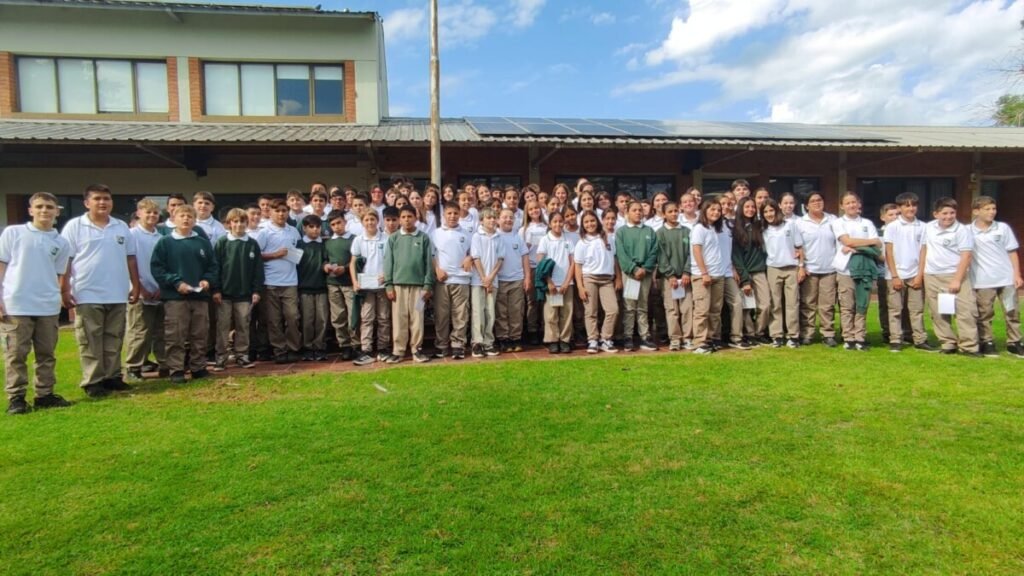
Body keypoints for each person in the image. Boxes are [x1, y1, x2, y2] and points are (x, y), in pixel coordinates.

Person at [61, 184, 141, 398]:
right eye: (97, 199)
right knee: (90, 339)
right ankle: (93, 381)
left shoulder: (120, 226)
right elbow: (66, 260)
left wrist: (136, 285)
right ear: (87, 203)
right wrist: (64, 288)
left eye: (106, 198)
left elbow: (131, 258)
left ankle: (112, 377)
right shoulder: (75, 226)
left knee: (114, 337)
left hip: (117, 291)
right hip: (87, 292)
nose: (102, 202)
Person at [0, 192, 73, 414]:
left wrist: (60, 296)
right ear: (30, 210)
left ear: (57, 211)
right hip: (16, 304)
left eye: (49, 207)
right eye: (39, 206)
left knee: (46, 354)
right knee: (15, 355)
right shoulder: (14, 233)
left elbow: (59, 274)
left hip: (47, 306)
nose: (44, 210)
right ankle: (17, 398)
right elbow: (2, 265)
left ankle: (44, 394)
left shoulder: (61, 242)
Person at [150, 204, 219, 384]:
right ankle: (176, 370)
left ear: (195, 220)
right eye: (182, 216)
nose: (186, 219)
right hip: (176, 298)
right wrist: (176, 282)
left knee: (200, 334)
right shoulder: (165, 242)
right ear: (174, 218)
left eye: (190, 216)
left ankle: (198, 367)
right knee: (176, 335)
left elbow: (213, 266)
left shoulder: (202, 243)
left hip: (200, 297)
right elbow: (158, 268)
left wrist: (207, 280)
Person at [923, 197, 979, 356]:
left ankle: (969, 346)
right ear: (936, 214)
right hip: (932, 275)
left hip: (955, 275)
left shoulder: (962, 230)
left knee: (965, 311)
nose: (948, 216)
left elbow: (966, 255)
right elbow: (923, 249)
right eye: (944, 213)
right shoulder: (928, 228)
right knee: (939, 312)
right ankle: (948, 343)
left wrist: (957, 279)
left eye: (952, 213)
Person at [970, 195, 1023, 357]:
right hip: (982, 280)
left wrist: (1017, 274)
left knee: (1012, 311)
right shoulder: (967, 231)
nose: (992, 212)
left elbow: (1012, 252)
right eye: (987, 209)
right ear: (976, 211)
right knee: (985, 313)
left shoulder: (1003, 228)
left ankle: (1014, 342)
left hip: (1006, 278)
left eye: (993, 209)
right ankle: (987, 342)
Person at [213, 208, 262, 370]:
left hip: (245, 294)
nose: (239, 224)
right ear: (229, 223)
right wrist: (216, 289)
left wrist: (256, 290)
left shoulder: (252, 244)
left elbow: (257, 269)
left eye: (242, 221)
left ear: (247, 223)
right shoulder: (222, 242)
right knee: (223, 326)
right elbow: (215, 267)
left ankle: (242, 355)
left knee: (243, 325)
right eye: (235, 221)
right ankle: (221, 357)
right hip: (224, 293)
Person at [832, 192, 881, 350]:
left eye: (854, 202)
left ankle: (860, 337)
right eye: (847, 203)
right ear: (842, 206)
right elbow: (847, 241)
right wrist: (867, 243)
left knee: (862, 305)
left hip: (865, 269)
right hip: (846, 270)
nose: (851, 205)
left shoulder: (867, 223)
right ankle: (848, 338)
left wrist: (856, 246)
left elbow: (877, 244)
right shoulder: (838, 223)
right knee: (847, 306)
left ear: (859, 204)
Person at [384, 205, 434, 363]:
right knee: (399, 319)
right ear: (399, 219)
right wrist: (389, 285)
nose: (407, 220)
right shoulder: (393, 238)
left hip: (419, 287)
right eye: (403, 217)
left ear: (415, 218)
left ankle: (416, 349)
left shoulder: (423, 238)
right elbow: (388, 263)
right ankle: (398, 350)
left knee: (417, 318)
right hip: (398, 286)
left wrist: (427, 285)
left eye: (410, 216)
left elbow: (428, 263)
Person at [125, 199, 167, 382]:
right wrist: (139, 287)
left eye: (155, 213)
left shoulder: (161, 238)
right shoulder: (131, 235)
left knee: (161, 331)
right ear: (139, 213)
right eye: (148, 212)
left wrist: (161, 287)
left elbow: (165, 264)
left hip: (159, 290)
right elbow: (128, 263)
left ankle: (164, 364)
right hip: (139, 292)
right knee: (140, 331)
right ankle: (133, 366)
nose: (152, 216)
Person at [256, 198, 303, 364]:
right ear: (270, 212)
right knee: (274, 320)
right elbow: (256, 255)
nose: (281, 214)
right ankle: (279, 350)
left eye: (284, 211)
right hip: (270, 282)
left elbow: (298, 252)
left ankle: (293, 348)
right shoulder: (264, 232)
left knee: (292, 317)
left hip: (290, 281)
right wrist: (275, 255)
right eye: (277, 211)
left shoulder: (293, 231)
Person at [883, 193, 931, 352]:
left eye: (914, 205)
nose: (911, 208)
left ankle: (920, 339)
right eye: (907, 205)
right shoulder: (892, 226)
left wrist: (919, 275)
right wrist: (894, 275)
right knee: (895, 309)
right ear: (899, 208)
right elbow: (889, 252)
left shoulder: (923, 226)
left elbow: (923, 251)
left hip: (915, 274)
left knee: (917, 309)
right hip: (895, 274)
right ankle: (895, 339)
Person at [795, 192, 838, 347]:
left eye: (819, 200)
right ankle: (807, 333)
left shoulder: (833, 220)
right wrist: (801, 266)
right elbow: (797, 246)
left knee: (827, 305)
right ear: (806, 205)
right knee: (808, 304)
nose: (817, 203)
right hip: (809, 269)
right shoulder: (800, 223)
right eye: (813, 201)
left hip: (829, 269)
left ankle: (828, 334)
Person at [575, 209, 620, 354]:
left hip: (607, 279)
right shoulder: (582, 242)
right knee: (591, 311)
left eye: (592, 221)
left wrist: (618, 277)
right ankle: (593, 340)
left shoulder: (607, 238)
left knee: (613, 310)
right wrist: (580, 286)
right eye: (586, 222)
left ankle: (605, 339)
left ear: (598, 221)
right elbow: (578, 266)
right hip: (589, 278)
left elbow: (614, 259)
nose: (590, 224)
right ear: (582, 224)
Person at [615, 201, 659, 351]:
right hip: (630, 274)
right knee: (629, 306)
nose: (638, 212)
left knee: (643, 306)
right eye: (634, 210)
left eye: (640, 210)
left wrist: (645, 269)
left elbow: (654, 252)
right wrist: (633, 269)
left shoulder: (649, 231)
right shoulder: (622, 232)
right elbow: (621, 254)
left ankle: (645, 336)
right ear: (627, 212)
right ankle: (628, 336)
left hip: (645, 274)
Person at [762, 199, 804, 348]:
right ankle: (777, 335)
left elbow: (799, 246)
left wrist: (801, 266)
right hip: (773, 268)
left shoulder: (790, 225)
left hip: (791, 267)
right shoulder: (764, 229)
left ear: (777, 210)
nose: (769, 214)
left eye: (771, 210)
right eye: (765, 212)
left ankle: (793, 335)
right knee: (775, 303)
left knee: (792, 303)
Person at [432, 203, 472, 359]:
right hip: (442, 280)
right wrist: (437, 269)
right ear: (444, 215)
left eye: (455, 213)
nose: (452, 216)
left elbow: (474, 252)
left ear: (459, 215)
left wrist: (469, 258)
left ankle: (458, 345)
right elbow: (431, 255)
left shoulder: (467, 234)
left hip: (461, 279)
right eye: (449, 213)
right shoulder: (436, 233)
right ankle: (441, 345)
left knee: (460, 315)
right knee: (441, 315)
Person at [351, 210, 391, 365]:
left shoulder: (386, 238)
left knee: (383, 318)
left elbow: (391, 260)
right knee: (367, 318)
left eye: (372, 219)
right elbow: (353, 263)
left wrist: (386, 275)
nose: (370, 222)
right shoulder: (358, 240)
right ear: (362, 222)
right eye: (367, 220)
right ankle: (366, 349)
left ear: (377, 221)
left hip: (382, 285)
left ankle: (383, 348)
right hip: (366, 286)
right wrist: (355, 282)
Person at [690, 199, 727, 355]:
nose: (716, 212)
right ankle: (699, 342)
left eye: (718, 210)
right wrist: (704, 273)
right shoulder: (699, 228)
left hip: (718, 274)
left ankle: (711, 339)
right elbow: (696, 251)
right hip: (703, 275)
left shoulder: (717, 229)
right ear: (704, 211)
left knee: (715, 310)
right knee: (702, 310)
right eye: (712, 209)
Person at [536, 211, 576, 354]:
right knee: (551, 314)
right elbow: (541, 262)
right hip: (551, 284)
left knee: (567, 312)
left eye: (560, 221)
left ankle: (565, 340)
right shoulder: (545, 240)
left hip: (566, 283)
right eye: (555, 221)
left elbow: (573, 263)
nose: (558, 224)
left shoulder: (568, 240)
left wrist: (567, 282)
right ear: (550, 223)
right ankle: (553, 340)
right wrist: (549, 282)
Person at [732, 197, 769, 346]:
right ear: (741, 208)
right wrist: (745, 279)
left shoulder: (759, 226)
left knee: (765, 304)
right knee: (746, 306)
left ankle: (760, 332)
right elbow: (736, 256)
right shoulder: (735, 229)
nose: (750, 209)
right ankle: (749, 334)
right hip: (743, 272)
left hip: (759, 271)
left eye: (753, 207)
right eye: (747, 207)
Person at [656, 201, 691, 352]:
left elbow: (691, 253)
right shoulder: (660, 233)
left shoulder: (687, 231)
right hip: (668, 278)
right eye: (670, 211)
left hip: (685, 277)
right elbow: (661, 256)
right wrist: (670, 275)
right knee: (672, 310)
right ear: (664, 214)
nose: (674, 214)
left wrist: (687, 272)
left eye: (676, 211)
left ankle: (688, 337)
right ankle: (675, 339)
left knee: (687, 308)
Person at [470, 208, 505, 358]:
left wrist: (490, 278)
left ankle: (488, 342)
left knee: (490, 312)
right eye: (488, 218)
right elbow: (476, 258)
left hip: (492, 280)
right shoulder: (477, 236)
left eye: (493, 218)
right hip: (478, 280)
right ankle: (477, 342)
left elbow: (500, 259)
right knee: (478, 311)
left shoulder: (499, 237)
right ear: (481, 221)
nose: (491, 220)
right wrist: (484, 278)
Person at [495, 207, 530, 353]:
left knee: (516, 310)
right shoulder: (495, 236)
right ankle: (503, 338)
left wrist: (527, 277)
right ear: (498, 220)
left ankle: (515, 337)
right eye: (505, 217)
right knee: (501, 311)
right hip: (500, 279)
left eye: (511, 217)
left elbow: (525, 257)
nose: (508, 220)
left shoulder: (518, 237)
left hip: (517, 279)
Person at [296, 215, 329, 361]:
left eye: (317, 227)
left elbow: (327, 261)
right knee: (307, 320)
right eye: (311, 227)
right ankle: (308, 348)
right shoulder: (299, 245)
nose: (315, 230)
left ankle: (320, 346)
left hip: (321, 287)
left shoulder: (324, 244)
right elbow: (294, 267)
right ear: (304, 228)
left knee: (322, 320)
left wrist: (327, 266)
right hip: (305, 288)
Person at [324, 212, 357, 361]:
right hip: (333, 283)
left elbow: (358, 259)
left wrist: (345, 268)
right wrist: (326, 266)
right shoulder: (328, 242)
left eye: (339, 223)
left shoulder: (353, 239)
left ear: (345, 222)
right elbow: (324, 259)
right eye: (333, 224)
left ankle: (356, 344)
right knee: (338, 316)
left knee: (353, 315)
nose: (337, 227)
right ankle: (344, 345)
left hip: (349, 282)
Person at [520, 200, 548, 345]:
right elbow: (521, 252)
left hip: (545, 267)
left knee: (545, 300)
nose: (534, 211)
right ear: (527, 212)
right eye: (531, 209)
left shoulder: (546, 227)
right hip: (531, 267)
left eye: (536, 208)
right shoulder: (524, 230)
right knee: (532, 301)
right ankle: (532, 331)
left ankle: (544, 329)